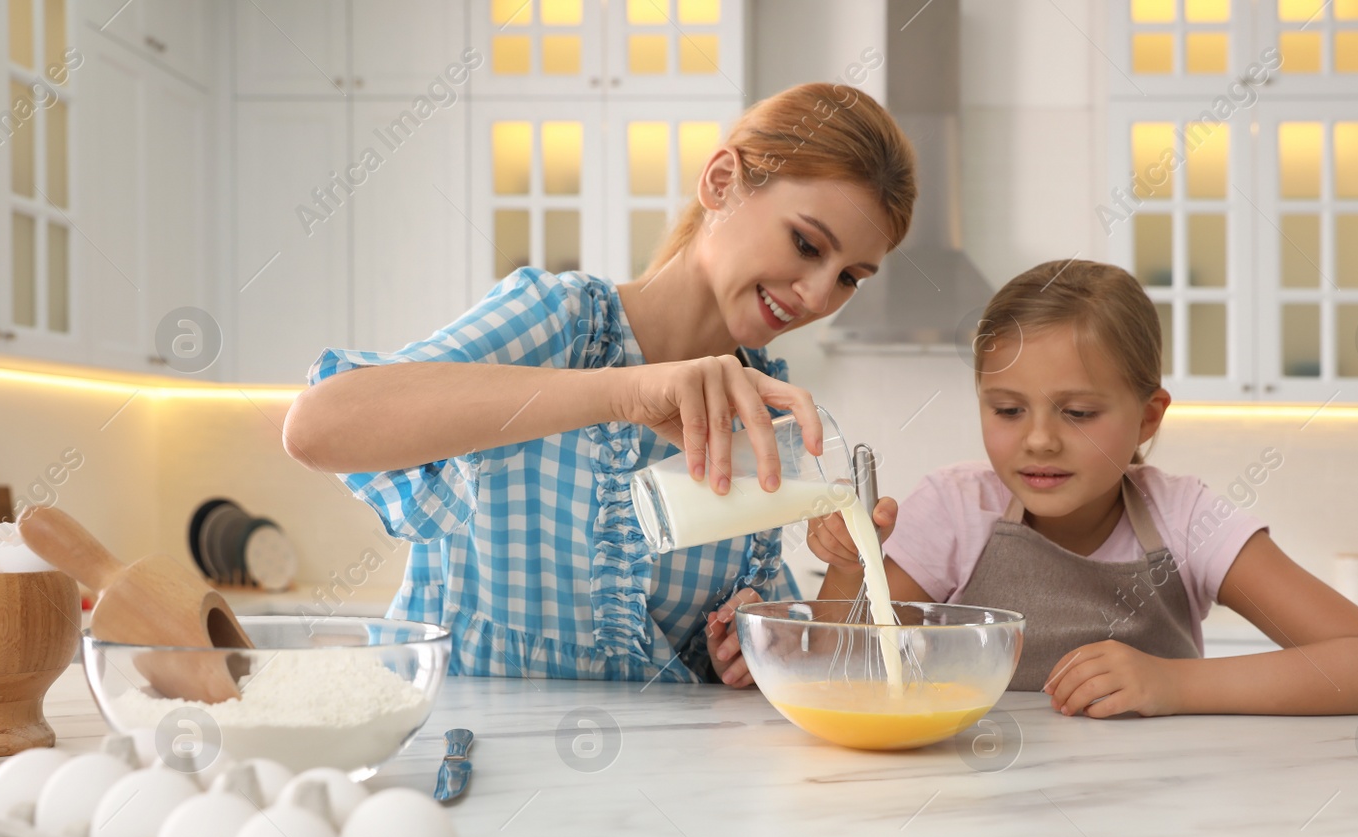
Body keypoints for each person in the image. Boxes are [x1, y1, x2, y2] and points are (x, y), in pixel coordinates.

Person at [282, 83, 917, 685]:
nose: (816, 295)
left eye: (849, 278)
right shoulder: (563, 323)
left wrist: (751, 648)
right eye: (807, 244)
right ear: (722, 183)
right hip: (468, 749)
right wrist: (625, 393)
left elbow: (787, 662)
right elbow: (318, 426)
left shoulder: (759, 404)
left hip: (640, 777)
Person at [807, 259, 1358, 717]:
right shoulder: (956, 507)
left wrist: (1173, 685)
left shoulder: (1184, 517)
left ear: (1148, 417)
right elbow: (842, 669)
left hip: (1154, 822)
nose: (1040, 441)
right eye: (1008, 410)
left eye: (1077, 412)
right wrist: (845, 566)